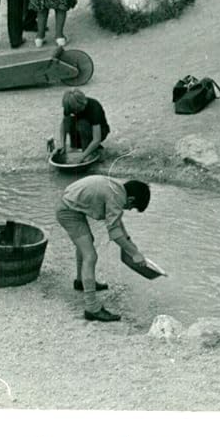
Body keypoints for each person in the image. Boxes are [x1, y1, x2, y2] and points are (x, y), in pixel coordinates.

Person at [56, 175, 151, 322]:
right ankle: (92, 309)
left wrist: (129, 243)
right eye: (131, 207)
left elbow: (117, 222)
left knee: (87, 242)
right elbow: (114, 232)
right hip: (67, 211)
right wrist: (135, 253)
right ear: (131, 200)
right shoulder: (117, 197)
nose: (128, 209)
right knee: (90, 256)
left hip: (69, 204)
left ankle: (81, 281)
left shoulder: (118, 189)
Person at [51, 89, 110, 162]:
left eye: (76, 109)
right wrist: (62, 144)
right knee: (68, 120)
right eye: (73, 110)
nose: (75, 112)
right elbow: (64, 124)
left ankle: (90, 149)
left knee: (82, 124)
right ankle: (78, 146)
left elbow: (96, 139)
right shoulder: (70, 106)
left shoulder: (94, 107)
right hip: (80, 130)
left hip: (99, 132)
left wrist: (82, 156)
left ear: (82, 104)